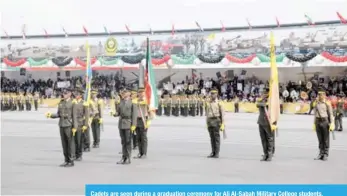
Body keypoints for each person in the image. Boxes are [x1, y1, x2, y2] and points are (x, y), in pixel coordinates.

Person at [45, 88, 77, 167]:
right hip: (62, 124)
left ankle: (71, 160)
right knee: (64, 144)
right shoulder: (61, 102)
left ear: (69, 94)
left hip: (69, 125)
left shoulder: (72, 103)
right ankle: (66, 160)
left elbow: (74, 116)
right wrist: (51, 115)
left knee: (70, 144)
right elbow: (58, 114)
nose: (64, 94)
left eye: (66, 93)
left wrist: (75, 127)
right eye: (63, 93)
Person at [114, 88, 137, 164]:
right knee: (123, 142)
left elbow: (134, 115)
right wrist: (115, 114)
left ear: (129, 94)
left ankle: (128, 158)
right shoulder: (121, 102)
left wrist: (133, 125)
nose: (123, 94)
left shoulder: (132, 103)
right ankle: (123, 157)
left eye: (125, 93)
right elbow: (119, 112)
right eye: (123, 93)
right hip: (121, 123)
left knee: (128, 142)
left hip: (128, 123)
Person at [313, 87, 334, 161]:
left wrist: (332, 123)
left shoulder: (327, 103)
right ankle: (321, 153)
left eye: (321, 94)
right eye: (319, 94)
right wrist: (314, 123)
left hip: (325, 121)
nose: (319, 96)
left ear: (324, 95)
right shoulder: (316, 103)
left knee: (326, 139)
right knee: (320, 139)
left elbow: (330, 114)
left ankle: (325, 154)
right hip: (318, 121)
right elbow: (315, 113)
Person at [256, 87, 276, 162]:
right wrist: (263, 101)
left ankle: (270, 154)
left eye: (265, 93)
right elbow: (258, 104)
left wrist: (264, 102)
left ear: (268, 93)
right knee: (263, 139)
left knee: (270, 139)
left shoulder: (271, 100)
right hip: (261, 121)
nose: (263, 94)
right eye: (263, 93)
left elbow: (269, 106)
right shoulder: (261, 100)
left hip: (268, 122)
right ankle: (265, 154)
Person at [205, 88, 225, 158]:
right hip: (210, 121)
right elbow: (207, 114)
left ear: (217, 94)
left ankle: (217, 153)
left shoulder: (219, 102)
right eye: (211, 93)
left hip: (216, 121)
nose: (212, 95)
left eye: (214, 93)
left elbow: (222, 114)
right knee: (212, 138)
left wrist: (223, 124)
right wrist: (206, 123)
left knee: (216, 138)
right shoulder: (208, 102)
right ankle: (213, 152)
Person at [134, 87, 153, 159]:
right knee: (138, 137)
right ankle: (140, 152)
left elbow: (151, 112)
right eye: (139, 92)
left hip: (144, 120)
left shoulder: (147, 101)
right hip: (136, 120)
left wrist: (149, 121)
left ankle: (144, 153)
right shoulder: (135, 101)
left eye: (142, 92)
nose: (141, 94)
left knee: (143, 137)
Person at [73, 89, 89, 161]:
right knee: (73, 141)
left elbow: (86, 115)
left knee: (79, 140)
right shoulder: (73, 102)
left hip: (80, 123)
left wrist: (85, 124)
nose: (76, 95)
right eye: (75, 94)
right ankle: (74, 154)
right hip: (73, 123)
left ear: (80, 95)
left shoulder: (84, 103)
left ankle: (79, 155)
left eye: (77, 94)